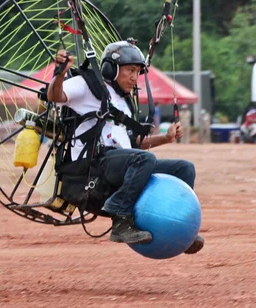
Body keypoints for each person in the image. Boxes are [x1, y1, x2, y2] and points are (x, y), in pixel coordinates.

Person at [47, 40, 203, 253]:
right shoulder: (88, 85)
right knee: (143, 159)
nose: (134, 77)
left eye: (138, 72)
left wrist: (165, 139)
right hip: (92, 166)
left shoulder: (124, 102)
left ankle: (179, 228)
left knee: (184, 168)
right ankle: (120, 218)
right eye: (130, 70)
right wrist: (60, 74)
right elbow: (55, 96)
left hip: (118, 165)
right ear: (110, 69)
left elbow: (133, 144)